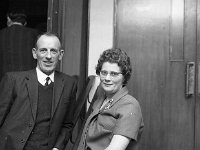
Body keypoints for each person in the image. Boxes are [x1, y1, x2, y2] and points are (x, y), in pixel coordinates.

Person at [0, 32, 77, 150]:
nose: (48, 56)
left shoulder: (69, 84)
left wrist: (57, 147)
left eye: (53, 51)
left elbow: (67, 124)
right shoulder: (13, 80)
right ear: (34, 53)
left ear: (60, 55)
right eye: (43, 50)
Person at [73, 48, 144, 150]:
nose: (107, 78)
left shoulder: (130, 106)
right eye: (104, 72)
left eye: (114, 74)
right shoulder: (100, 100)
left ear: (124, 77)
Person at [0, 8, 39, 80]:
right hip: (28, 79)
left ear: (8, 19)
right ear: (25, 22)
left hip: (6, 79)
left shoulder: (1, 33)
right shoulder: (35, 34)